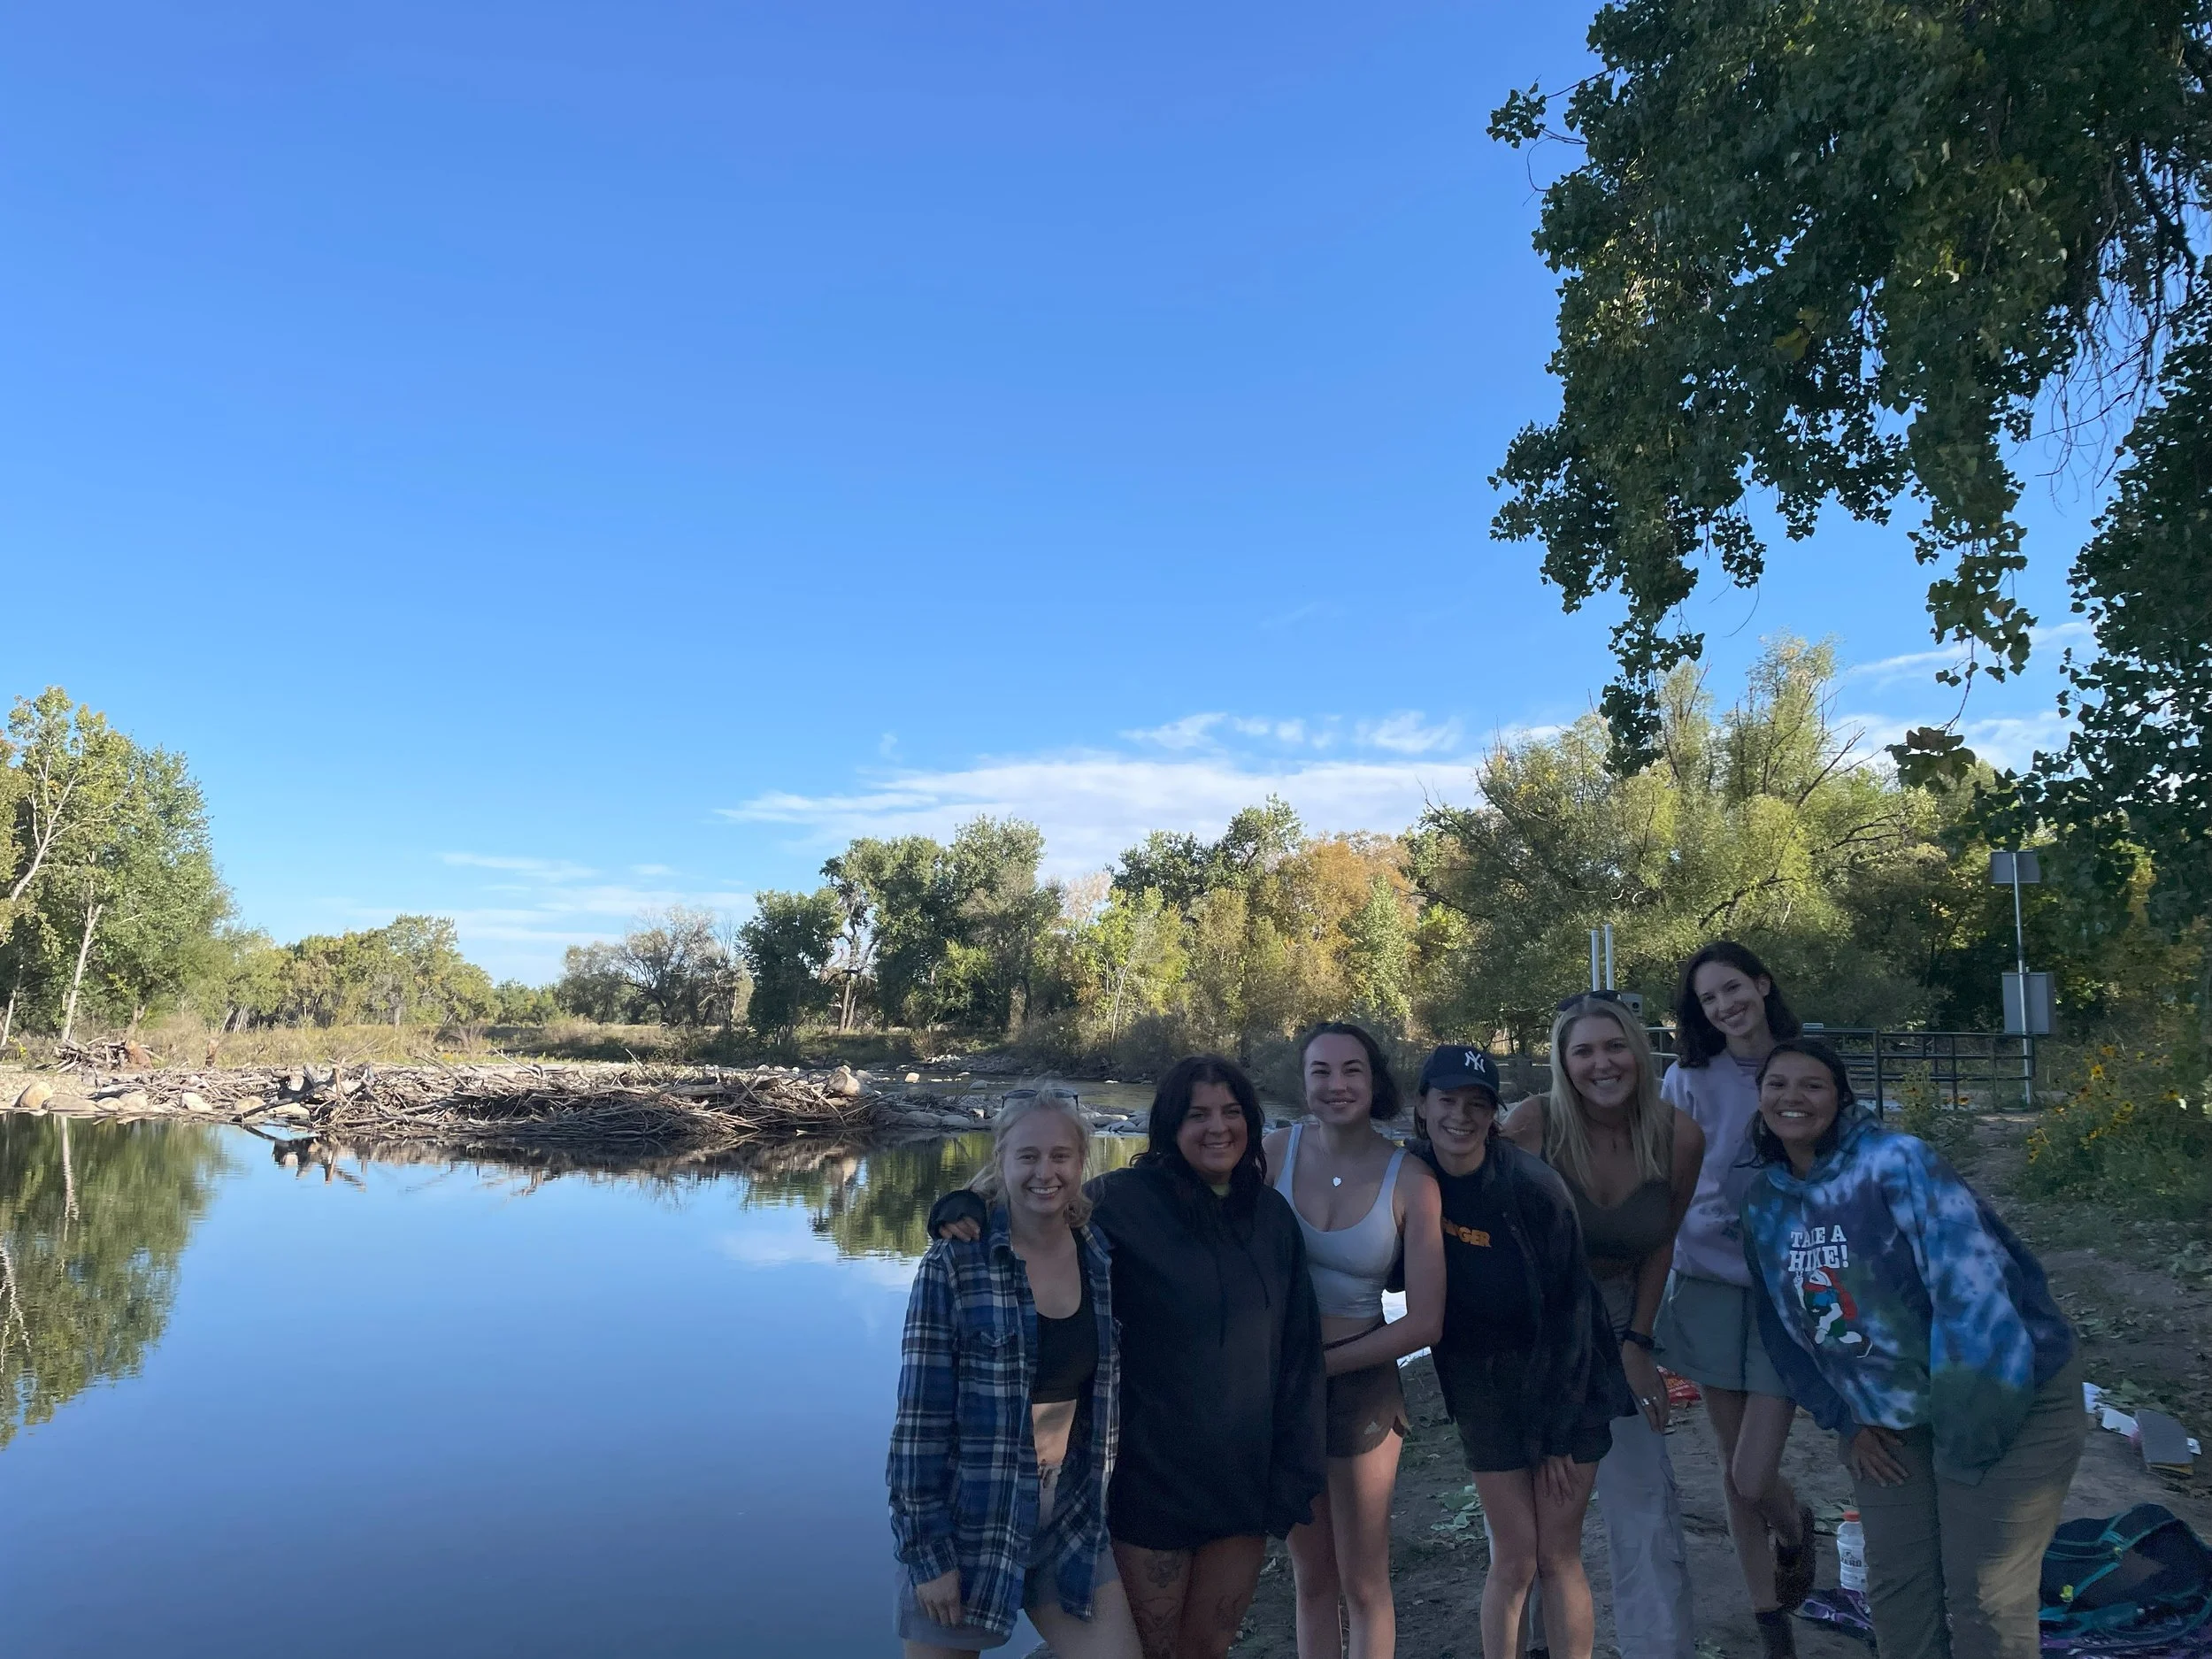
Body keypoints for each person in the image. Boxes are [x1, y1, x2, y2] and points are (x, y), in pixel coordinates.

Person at [929, 1061, 1327, 1659]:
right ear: (1167, 1125)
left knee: (1208, 1649)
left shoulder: (1272, 1219)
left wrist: (1293, 1475)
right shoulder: (1120, 1202)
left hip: (1243, 1486)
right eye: (1197, 1114)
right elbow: (1037, 1204)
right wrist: (966, 1204)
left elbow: (1299, 1355)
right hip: (1149, 1486)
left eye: (1231, 1112)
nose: (1217, 1127)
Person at [1741, 1039, 2083, 1659]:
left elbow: (1974, 1301)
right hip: (1893, 1418)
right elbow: (1783, 1331)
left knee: (1983, 1593)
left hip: (2004, 1391)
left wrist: (1961, 1444)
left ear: (1841, 1098)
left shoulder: (1897, 1163)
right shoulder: (1764, 1206)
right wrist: (1847, 1420)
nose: (1792, 1097)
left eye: (1811, 1084)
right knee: (1899, 1589)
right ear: (1760, 1097)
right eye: (1777, 1083)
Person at [888, 1087, 1141, 1657]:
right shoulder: (955, 1264)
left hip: (1069, 1518)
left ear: (1082, 1163)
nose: (1045, 1172)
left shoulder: (1097, 1253)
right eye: (1028, 1156)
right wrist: (928, 1556)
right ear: (1000, 1161)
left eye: (1061, 1156)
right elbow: (917, 1425)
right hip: (970, 1521)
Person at [1409, 1043, 1631, 1659]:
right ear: (1422, 1106)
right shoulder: (1413, 1174)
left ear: (1493, 1114)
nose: (1461, 1116)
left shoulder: (1534, 1188)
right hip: (1483, 1389)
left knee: (1557, 1553)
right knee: (1513, 1557)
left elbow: (1573, 1315)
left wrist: (1557, 1434)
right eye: (1447, 1101)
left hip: (1570, 1381)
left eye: (1477, 1104)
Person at [1502, 994, 1703, 1659]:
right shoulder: (1531, 1125)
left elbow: (1662, 1243)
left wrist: (1639, 1341)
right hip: (1538, 1318)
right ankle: (1536, 1644)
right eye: (1583, 1050)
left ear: (1638, 1052)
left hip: (1622, 1308)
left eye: (1614, 1046)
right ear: (1564, 1061)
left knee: (1643, 1492)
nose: (1602, 1063)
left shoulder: (1678, 1135)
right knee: (1538, 1498)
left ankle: (1660, 1647)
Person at [1261, 1023, 1444, 1659]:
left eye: (1351, 1070)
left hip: (1363, 1388)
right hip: (1284, 1386)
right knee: (1312, 1578)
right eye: (1321, 1071)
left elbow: (1425, 1323)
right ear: (1304, 1081)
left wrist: (1324, 1363)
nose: (1336, 1085)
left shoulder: (1412, 1178)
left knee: (1364, 1581)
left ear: (1375, 1080)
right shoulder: (1270, 1155)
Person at [1655, 942, 1816, 1656]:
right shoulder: (1689, 1078)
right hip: (1710, 1283)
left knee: (1755, 1468)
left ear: (1762, 982)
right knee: (1729, 1462)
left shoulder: (1807, 1064)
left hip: (1790, 1288)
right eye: (1708, 999)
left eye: (1732, 988)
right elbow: (1661, 1175)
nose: (1724, 1006)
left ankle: (1796, 1525)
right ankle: (1767, 1618)